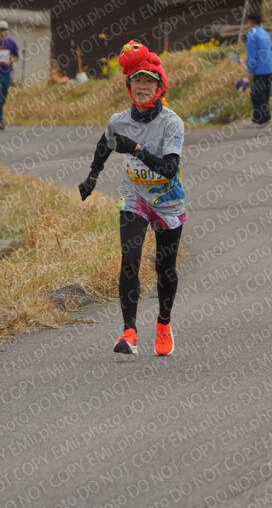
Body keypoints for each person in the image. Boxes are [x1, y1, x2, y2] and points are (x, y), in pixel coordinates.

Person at [78, 41, 185, 356]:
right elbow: (104, 145)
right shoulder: (119, 120)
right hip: (133, 196)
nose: (142, 87)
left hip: (167, 201)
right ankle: (129, 331)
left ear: (159, 87)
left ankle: (163, 324)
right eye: (136, 80)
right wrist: (92, 177)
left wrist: (137, 150)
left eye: (148, 81)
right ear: (128, 85)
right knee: (129, 259)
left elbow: (169, 169)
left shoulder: (172, 123)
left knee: (165, 268)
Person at [245, 12, 272, 126]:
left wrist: (250, 70)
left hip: (259, 69)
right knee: (265, 93)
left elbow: (252, 54)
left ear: (250, 22)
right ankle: (258, 118)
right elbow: (270, 50)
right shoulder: (266, 33)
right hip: (269, 67)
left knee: (257, 95)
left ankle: (263, 120)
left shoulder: (251, 34)